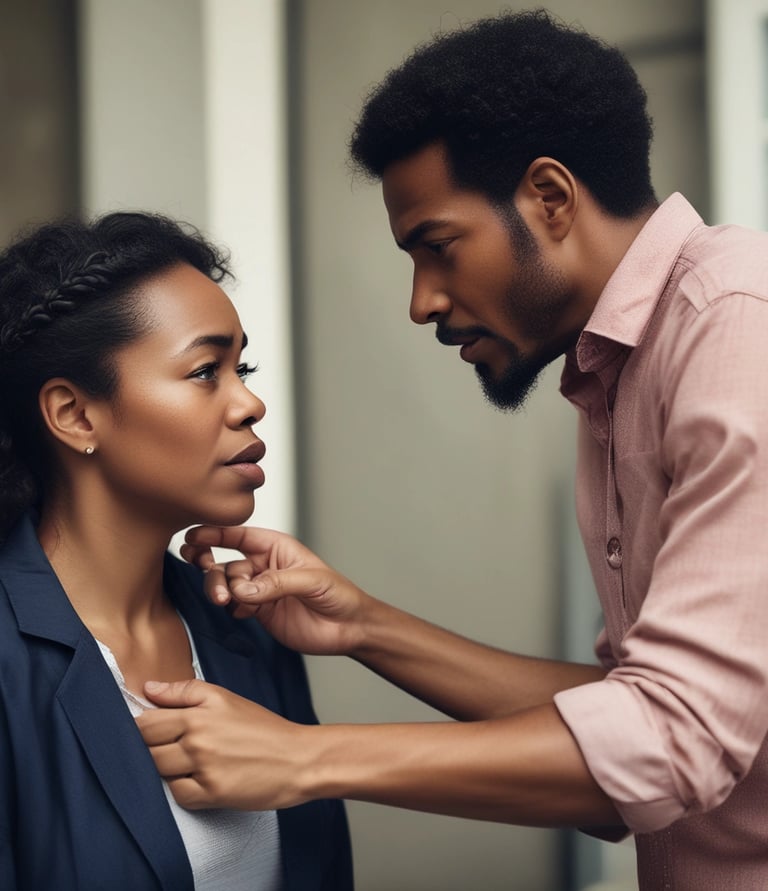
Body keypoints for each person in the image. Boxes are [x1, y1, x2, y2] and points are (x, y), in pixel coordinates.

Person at [137, 8, 768, 889]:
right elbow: (622, 730)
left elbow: (670, 743)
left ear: (550, 198)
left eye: (437, 247)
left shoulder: (736, 330)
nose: (422, 301)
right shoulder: (615, 370)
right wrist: (359, 622)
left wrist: (302, 759)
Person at [0, 211, 353, 890]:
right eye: (203, 372)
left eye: (241, 367)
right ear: (74, 414)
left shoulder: (246, 623)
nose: (250, 402)